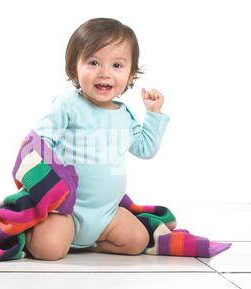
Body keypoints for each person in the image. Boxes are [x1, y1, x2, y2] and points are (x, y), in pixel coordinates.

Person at [25, 17, 170, 260]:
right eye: (93, 62)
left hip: (106, 213)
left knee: (137, 240)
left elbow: (145, 148)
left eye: (117, 65)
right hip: (65, 209)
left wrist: (153, 114)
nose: (105, 73)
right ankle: (33, 233)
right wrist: (46, 185)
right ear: (74, 68)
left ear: (131, 73)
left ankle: (90, 244)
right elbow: (38, 143)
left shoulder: (124, 115)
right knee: (48, 249)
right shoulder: (68, 104)